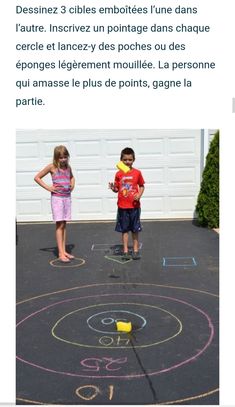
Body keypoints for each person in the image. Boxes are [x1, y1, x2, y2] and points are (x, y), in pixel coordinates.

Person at [34, 145, 75, 262]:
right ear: (56, 158)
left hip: (67, 198)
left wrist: (73, 184)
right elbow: (37, 177)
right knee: (59, 225)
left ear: (67, 157)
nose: (63, 159)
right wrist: (48, 188)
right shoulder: (52, 167)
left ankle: (64, 250)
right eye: (60, 157)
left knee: (64, 224)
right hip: (57, 199)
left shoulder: (68, 167)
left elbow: (72, 178)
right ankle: (60, 253)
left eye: (65, 157)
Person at [109, 147, 145, 260]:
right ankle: (125, 251)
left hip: (134, 206)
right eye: (125, 160)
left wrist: (139, 195)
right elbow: (117, 189)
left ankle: (135, 250)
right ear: (121, 160)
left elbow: (142, 186)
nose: (127, 162)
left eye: (130, 159)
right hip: (122, 206)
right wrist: (113, 188)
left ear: (133, 160)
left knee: (135, 229)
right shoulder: (118, 174)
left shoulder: (137, 173)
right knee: (124, 229)